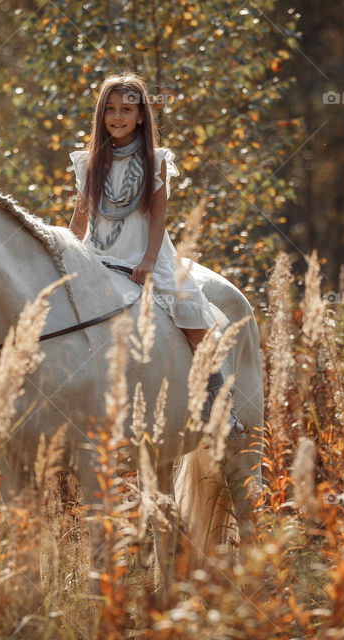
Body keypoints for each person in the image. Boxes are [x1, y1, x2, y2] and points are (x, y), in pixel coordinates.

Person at [68, 73, 240, 430]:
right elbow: (80, 218)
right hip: (98, 254)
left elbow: (159, 214)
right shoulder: (89, 163)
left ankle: (220, 407)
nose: (117, 117)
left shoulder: (155, 160)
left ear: (141, 116)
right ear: (101, 116)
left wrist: (148, 259)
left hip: (145, 252)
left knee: (192, 314)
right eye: (110, 110)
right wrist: (65, 255)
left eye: (126, 109)